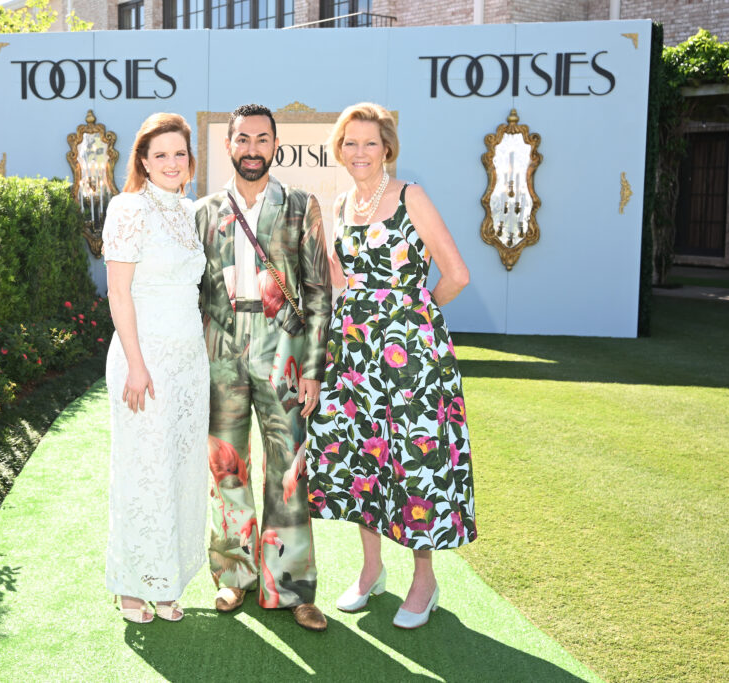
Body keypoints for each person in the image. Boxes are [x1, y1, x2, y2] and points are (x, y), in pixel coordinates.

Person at [304, 102, 477, 629]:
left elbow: (457, 274)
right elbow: (342, 282)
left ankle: (424, 580)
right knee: (364, 456)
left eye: (370, 143)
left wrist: (416, 318)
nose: (360, 152)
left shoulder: (410, 196)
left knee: (415, 460)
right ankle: (371, 569)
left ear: (387, 149)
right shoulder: (340, 204)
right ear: (339, 149)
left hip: (410, 360)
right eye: (350, 142)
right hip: (354, 355)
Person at [195, 104, 332, 632]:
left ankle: (291, 587)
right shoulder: (205, 211)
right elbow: (194, 292)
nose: (252, 149)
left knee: (288, 468)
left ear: (275, 145)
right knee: (226, 465)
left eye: (261, 139)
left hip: (285, 350)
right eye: (243, 139)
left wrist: (313, 367)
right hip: (221, 347)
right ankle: (235, 574)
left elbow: (318, 291)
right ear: (228, 145)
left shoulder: (300, 205)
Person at [102, 113, 208, 624]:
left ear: (190, 161)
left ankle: (166, 583)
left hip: (189, 361)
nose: (171, 162)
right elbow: (118, 293)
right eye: (160, 154)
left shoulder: (188, 211)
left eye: (179, 153)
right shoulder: (127, 208)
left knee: (180, 470)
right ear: (142, 161)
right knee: (142, 470)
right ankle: (131, 586)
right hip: (143, 360)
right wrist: (137, 366)